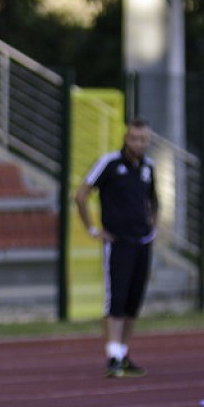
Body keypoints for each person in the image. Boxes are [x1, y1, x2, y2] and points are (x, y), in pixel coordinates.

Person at [75, 117, 159, 379]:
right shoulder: (110, 163)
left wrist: (152, 226)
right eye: (135, 138)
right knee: (117, 299)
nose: (139, 143)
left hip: (142, 241)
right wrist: (93, 229)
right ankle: (112, 354)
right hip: (118, 241)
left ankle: (123, 352)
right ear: (126, 137)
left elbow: (154, 201)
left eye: (144, 139)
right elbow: (81, 194)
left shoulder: (148, 166)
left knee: (134, 301)